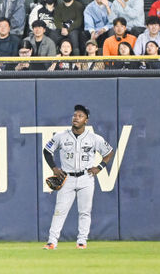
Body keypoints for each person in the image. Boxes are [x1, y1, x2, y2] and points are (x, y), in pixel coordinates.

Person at [43, 104, 115, 250]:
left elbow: (109, 152)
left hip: (86, 177)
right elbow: (47, 150)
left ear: (86, 120)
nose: (76, 118)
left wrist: (99, 167)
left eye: (80, 116)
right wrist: (54, 168)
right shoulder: (61, 136)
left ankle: (82, 242)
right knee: (59, 211)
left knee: (85, 211)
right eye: (75, 115)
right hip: (67, 178)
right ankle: (52, 242)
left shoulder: (94, 138)